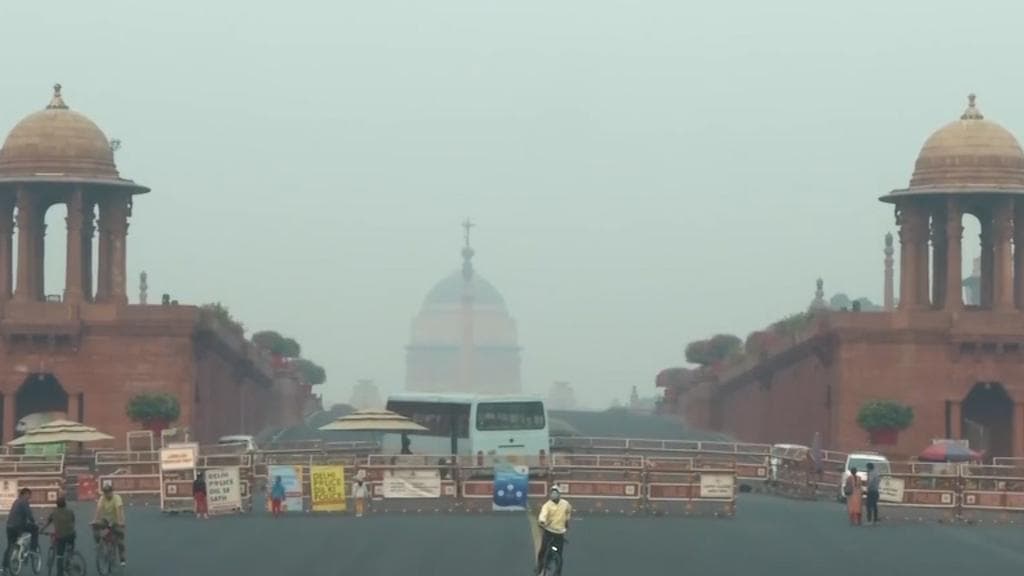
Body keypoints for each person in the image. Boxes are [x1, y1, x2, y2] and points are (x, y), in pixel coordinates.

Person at [536, 486, 571, 575]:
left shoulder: (565, 504)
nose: (553, 495)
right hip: (549, 531)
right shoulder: (547, 505)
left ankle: (558, 573)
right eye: (552, 493)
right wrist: (542, 522)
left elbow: (568, 511)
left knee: (559, 555)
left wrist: (567, 520)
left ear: (559, 494)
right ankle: (539, 566)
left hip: (559, 533)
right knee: (542, 551)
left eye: (555, 493)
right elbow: (543, 515)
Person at [3, 487, 38, 572]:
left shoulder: (16, 501)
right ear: (25, 494)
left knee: (10, 546)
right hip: (19, 526)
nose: (30, 497)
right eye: (29, 495)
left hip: (9, 526)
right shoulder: (24, 501)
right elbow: (29, 514)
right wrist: (34, 522)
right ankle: (33, 548)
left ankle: (4, 567)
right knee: (35, 529)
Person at [92, 484, 126, 567]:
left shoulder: (117, 498)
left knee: (120, 542)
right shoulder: (102, 498)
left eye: (108, 492)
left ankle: (122, 559)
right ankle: (99, 544)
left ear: (112, 492)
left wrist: (119, 522)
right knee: (95, 526)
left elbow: (118, 510)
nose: (107, 494)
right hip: (106, 520)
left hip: (117, 520)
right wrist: (95, 520)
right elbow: (98, 509)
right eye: (105, 493)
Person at [40, 496, 75, 576]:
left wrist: (41, 530)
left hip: (61, 537)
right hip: (71, 535)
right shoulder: (70, 511)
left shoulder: (54, 513)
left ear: (56, 505)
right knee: (71, 546)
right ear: (65, 504)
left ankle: (60, 573)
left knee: (60, 556)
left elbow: (48, 523)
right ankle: (70, 558)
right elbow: (73, 520)